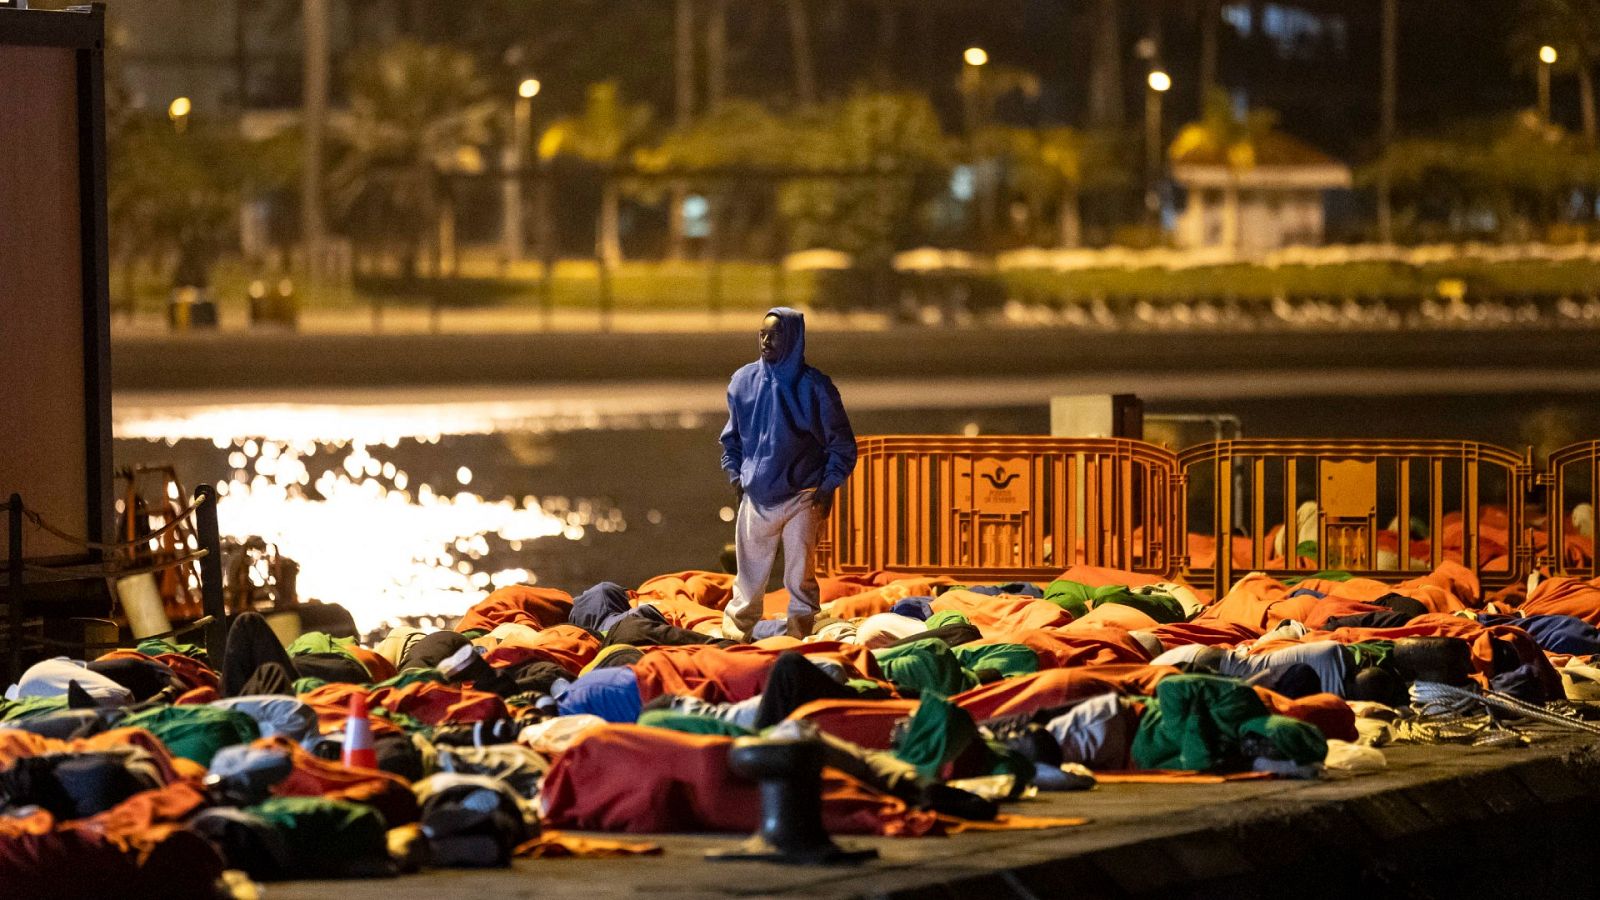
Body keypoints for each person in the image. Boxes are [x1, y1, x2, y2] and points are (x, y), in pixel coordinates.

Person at [719, 308, 856, 640]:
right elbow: (731, 438)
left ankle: (798, 637)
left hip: (803, 497)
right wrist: (736, 476)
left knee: (800, 578)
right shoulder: (742, 381)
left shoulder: (817, 388)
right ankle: (736, 638)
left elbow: (843, 445)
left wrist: (825, 488)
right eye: (762, 334)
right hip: (755, 496)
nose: (766, 340)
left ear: (793, 338)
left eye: (775, 334)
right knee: (747, 580)